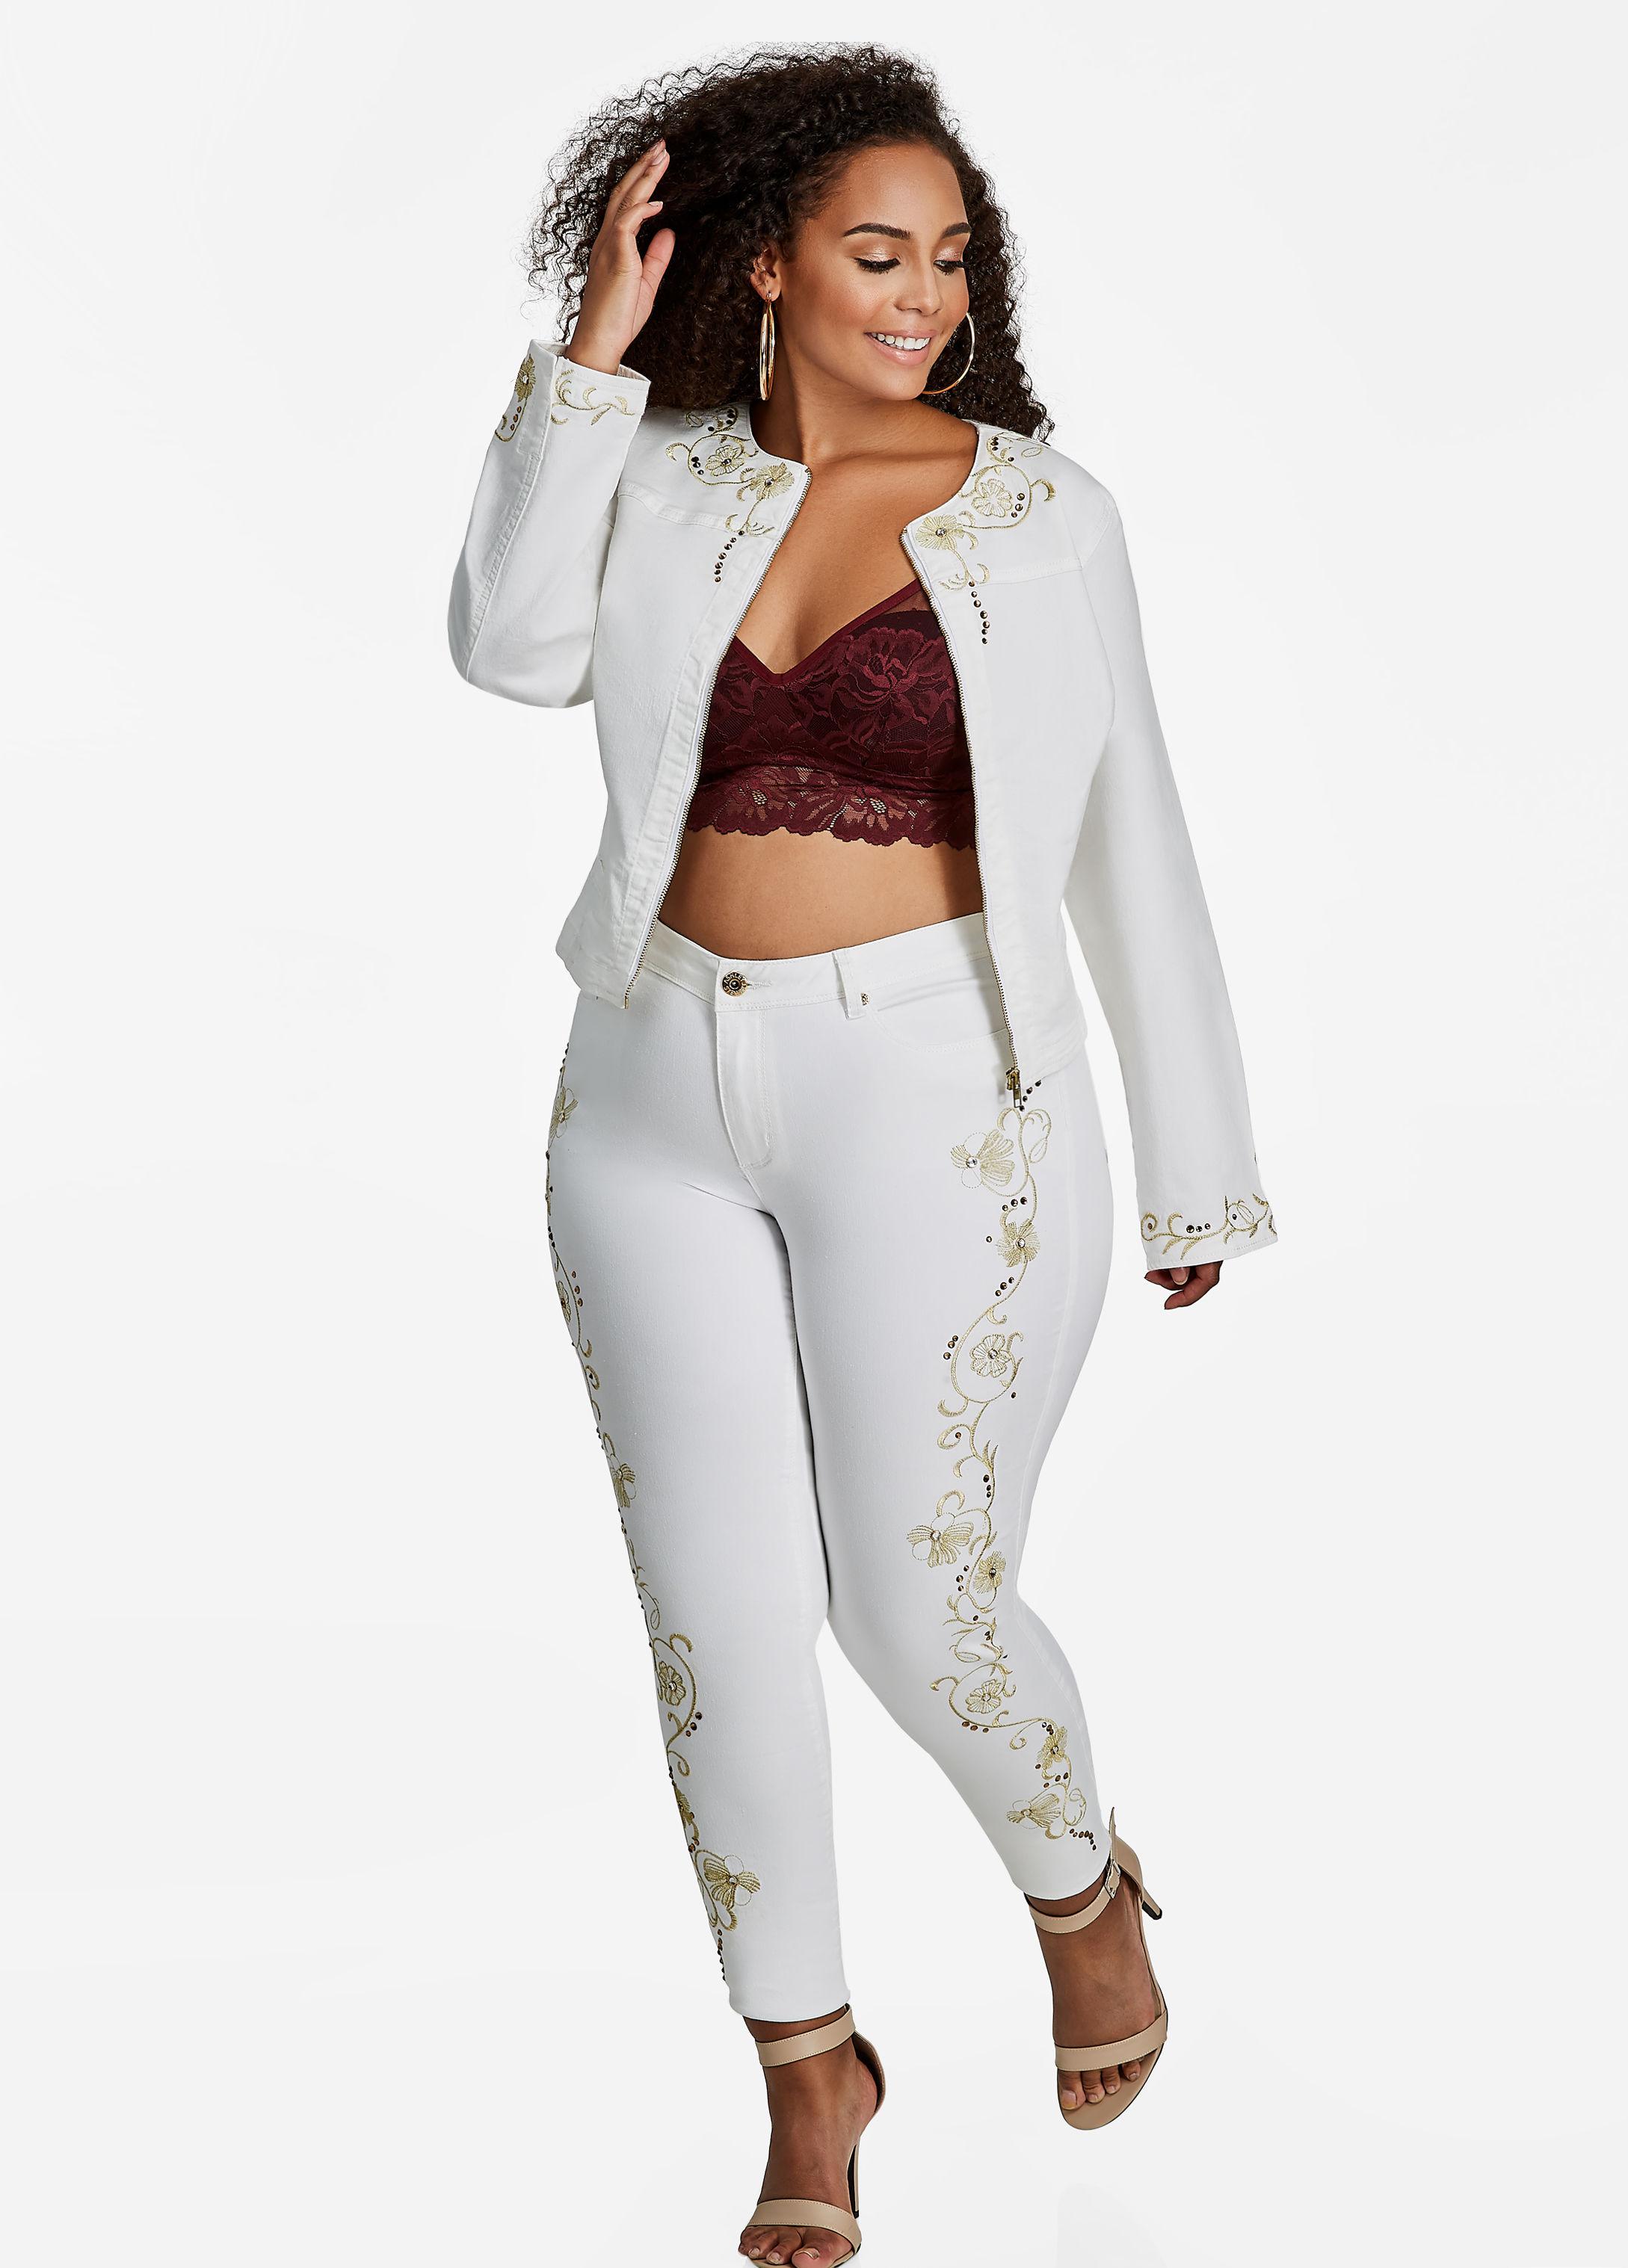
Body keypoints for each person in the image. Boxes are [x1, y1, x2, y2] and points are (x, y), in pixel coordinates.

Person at [447, 44, 1277, 2267]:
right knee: (714, 1621)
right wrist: (586, 366)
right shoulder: (654, 474)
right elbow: (507, 650)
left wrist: (1195, 1157)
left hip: (940, 1099)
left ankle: (1078, 1887)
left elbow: (1131, 831)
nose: (923, 297)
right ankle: (808, 2066)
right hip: (643, 1095)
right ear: (764, 265)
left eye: (950, 260)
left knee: (916, 1601)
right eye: (876, 255)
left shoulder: (1039, 513)